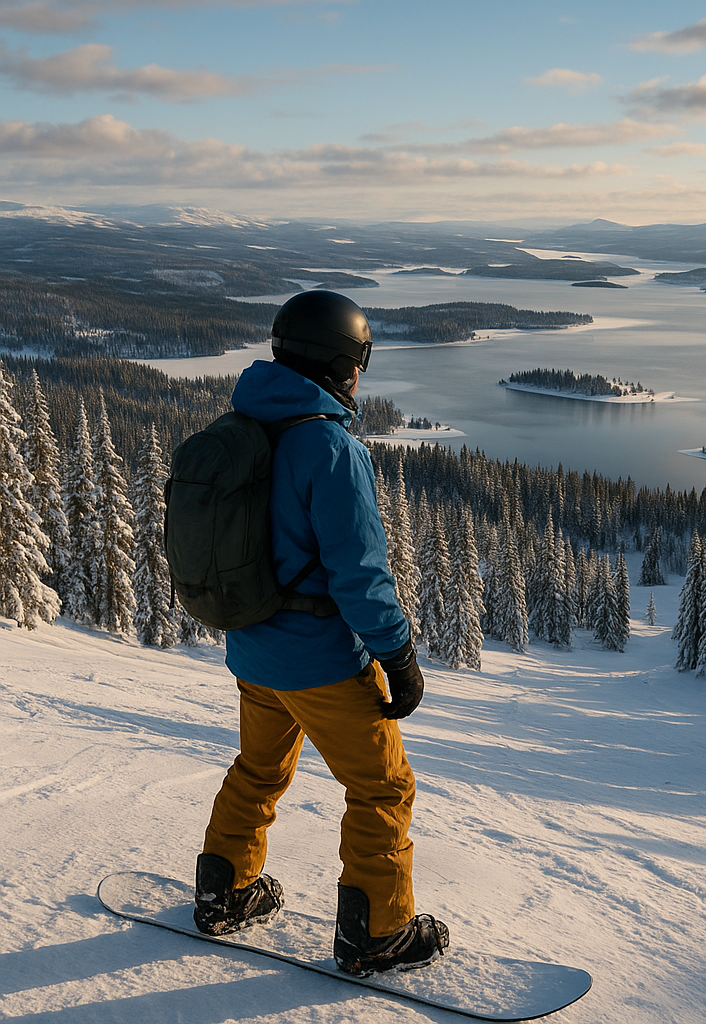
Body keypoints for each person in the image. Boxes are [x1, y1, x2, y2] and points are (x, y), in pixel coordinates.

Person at [192, 289, 449, 977]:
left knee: (259, 768)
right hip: (322, 661)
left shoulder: (244, 425)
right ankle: (379, 933)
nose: (361, 377)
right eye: (359, 363)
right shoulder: (329, 447)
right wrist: (400, 658)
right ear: (341, 365)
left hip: (252, 650)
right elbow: (360, 576)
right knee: (383, 788)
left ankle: (225, 891)